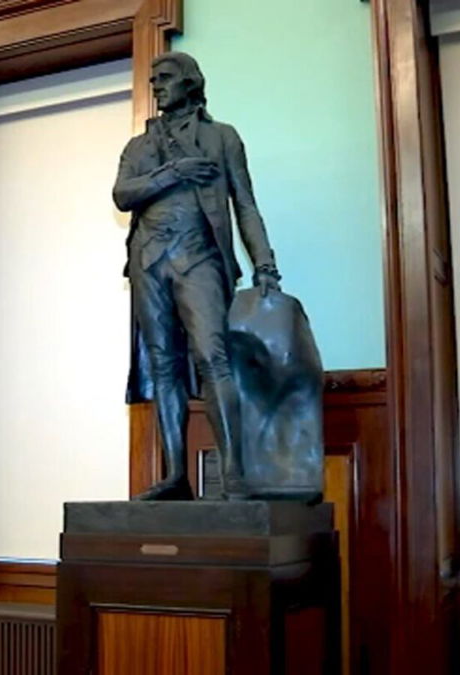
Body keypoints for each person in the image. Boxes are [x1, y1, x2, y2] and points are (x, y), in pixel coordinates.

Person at [113, 51, 281, 500]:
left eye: (165, 78)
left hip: (199, 257)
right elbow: (122, 194)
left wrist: (264, 262)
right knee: (163, 365)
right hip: (149, 259)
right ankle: (175, 477)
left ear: (191, 82)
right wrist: (174, 172)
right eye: (153, 80)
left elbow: (244, 204)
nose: (157, 86)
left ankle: (234, 476)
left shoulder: (222, 138)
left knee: (213, 357)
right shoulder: (140, 147)